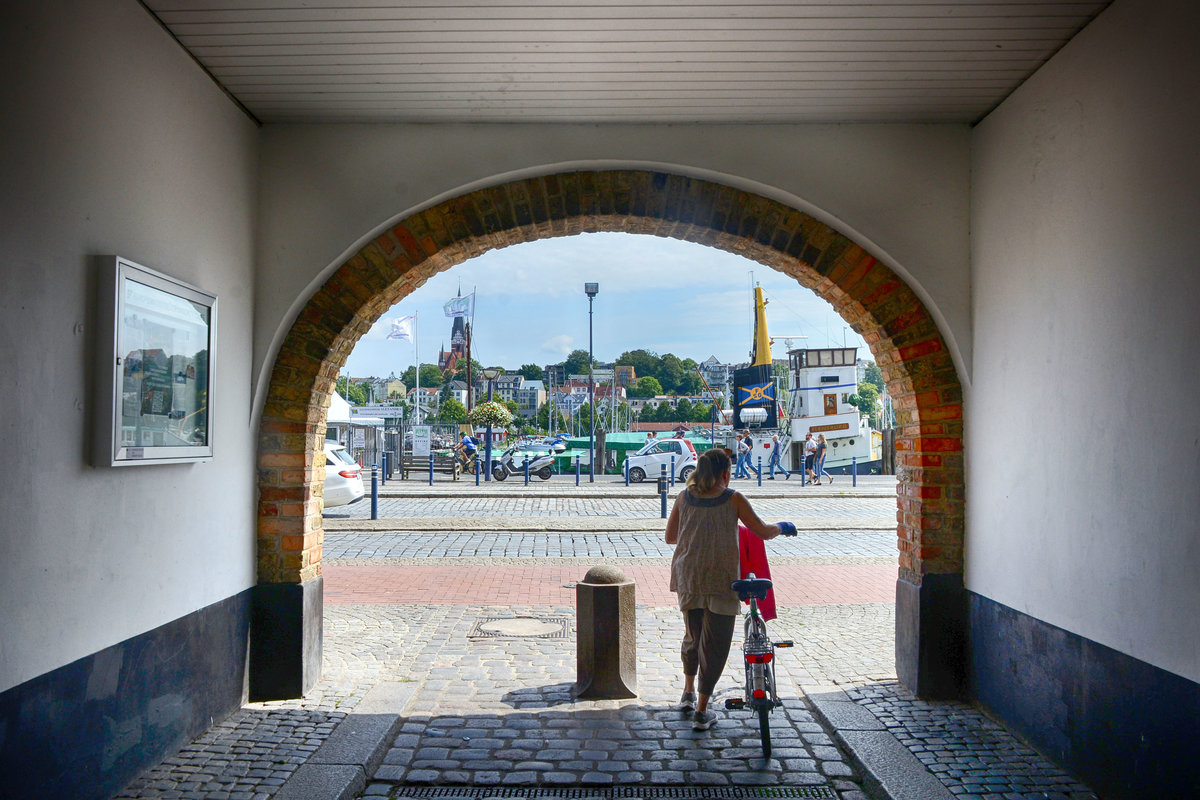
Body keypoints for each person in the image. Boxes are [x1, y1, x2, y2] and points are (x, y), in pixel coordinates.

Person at [665, 447, 796, 731]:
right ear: (725, 473)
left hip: (689, 575)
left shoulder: (684, 496)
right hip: (722, 578)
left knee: (693, 635)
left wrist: (699, 530)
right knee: (715, 645)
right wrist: (783, 527)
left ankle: (687, 693)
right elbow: (761, 530)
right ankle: (701, 710)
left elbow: (670, 537)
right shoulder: (733, 498)